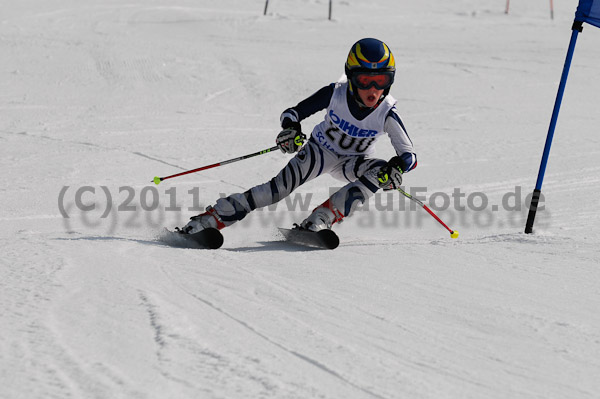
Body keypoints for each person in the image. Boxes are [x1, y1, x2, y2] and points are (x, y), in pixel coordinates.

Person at [176, 37, 417, 235]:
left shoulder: (387, 113)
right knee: (276, 191)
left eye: (381, 80)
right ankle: (209, 219)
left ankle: (321, 219)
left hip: (352, 163)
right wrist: (291, 131)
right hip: (320, 151)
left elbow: (410, 156)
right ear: (351, 77)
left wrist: (396, 168)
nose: (373, 90)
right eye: (365, 80)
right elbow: (291, 113)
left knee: (380, 170)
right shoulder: (335, 94)